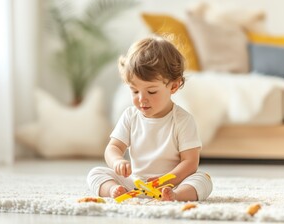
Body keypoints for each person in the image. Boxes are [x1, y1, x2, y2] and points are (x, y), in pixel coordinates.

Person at [87, 35, 213, 201]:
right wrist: (117, 161)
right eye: (134, 91)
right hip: (135, 182)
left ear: (173, 86)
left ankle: (175, 196)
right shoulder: (130, 116)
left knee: (203, 180)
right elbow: (113, 148)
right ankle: (114, 191)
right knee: (96, 173)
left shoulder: (182, 120)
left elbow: (190, 162)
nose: (141, 99)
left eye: (151, 91)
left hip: (172, 183)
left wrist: (167, 180)